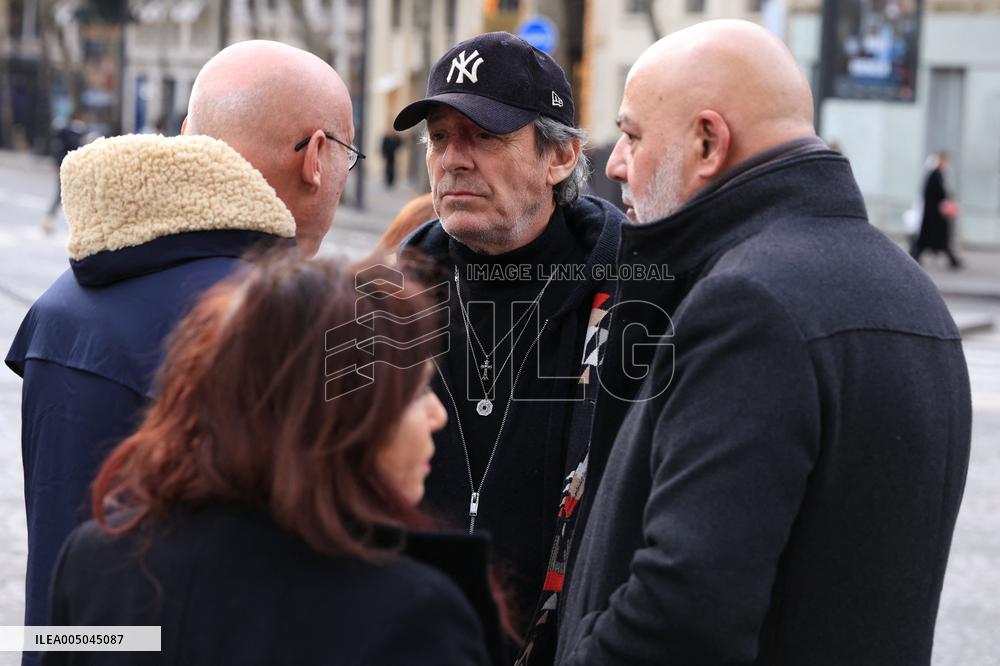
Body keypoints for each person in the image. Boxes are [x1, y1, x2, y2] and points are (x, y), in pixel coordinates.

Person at [557, 20, 971, 666]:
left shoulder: (749, 305)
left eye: (632, 135)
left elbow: (679, 620)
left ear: (707, 142)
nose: (613, 163)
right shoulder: (914, 293)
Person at [5, 40, 357, 641]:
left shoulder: (61, 302)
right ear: (317, 156)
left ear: (190, 133)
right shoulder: (289, 325)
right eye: (349, 157)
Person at [44, 251, 507, 666]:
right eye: (416, 392)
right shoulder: (409, 616)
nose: (437, 415)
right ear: (343, 418)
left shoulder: (96, 563)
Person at [393, 31, 626, 630]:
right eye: (439, 137)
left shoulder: (631, 304)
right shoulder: (389, 305)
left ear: (561, 157)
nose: (454, 158)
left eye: (486, 137)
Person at [911, 151, 962, 269]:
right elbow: (935, 194)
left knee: (934, 239)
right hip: (933, 215)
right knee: (935, 238)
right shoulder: (934, 175)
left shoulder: (938, 175)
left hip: (935, 214)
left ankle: (952, 260)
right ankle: (952, 260)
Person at [41, 111, 89, 234]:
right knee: (61, 195)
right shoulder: (68, 132)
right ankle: (49, 219)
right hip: (67, 168)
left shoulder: (77, 132)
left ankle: (52, 219)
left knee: (69, 195)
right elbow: (59, 150)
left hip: (73, 168)